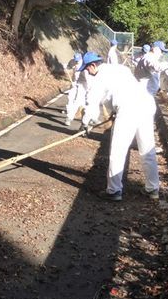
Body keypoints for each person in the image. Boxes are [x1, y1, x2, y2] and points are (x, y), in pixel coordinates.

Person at [79, 52, 160, 201]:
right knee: (147, 149)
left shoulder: (99, 79)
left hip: (128, 109)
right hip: (146, 104)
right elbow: (121, 90)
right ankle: (153, 189)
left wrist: (85, 123)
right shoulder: (120, 69)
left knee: (118, 150)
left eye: (87, 69)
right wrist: (115, 110)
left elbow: (92, 101)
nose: (88, 73)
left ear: (92, 66)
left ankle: (114, 191)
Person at [64, 52, 88, 126]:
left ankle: (88, 120)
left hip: (83, 84)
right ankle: (69, 117)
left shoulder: (84, 64)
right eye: (76, 60)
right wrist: (66, 67)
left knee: (83, 102)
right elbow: (69, 67)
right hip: (75, 83)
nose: (77, 61)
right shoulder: (73, 61)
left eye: (78, 60)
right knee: (71, 98)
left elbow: (87, 78)